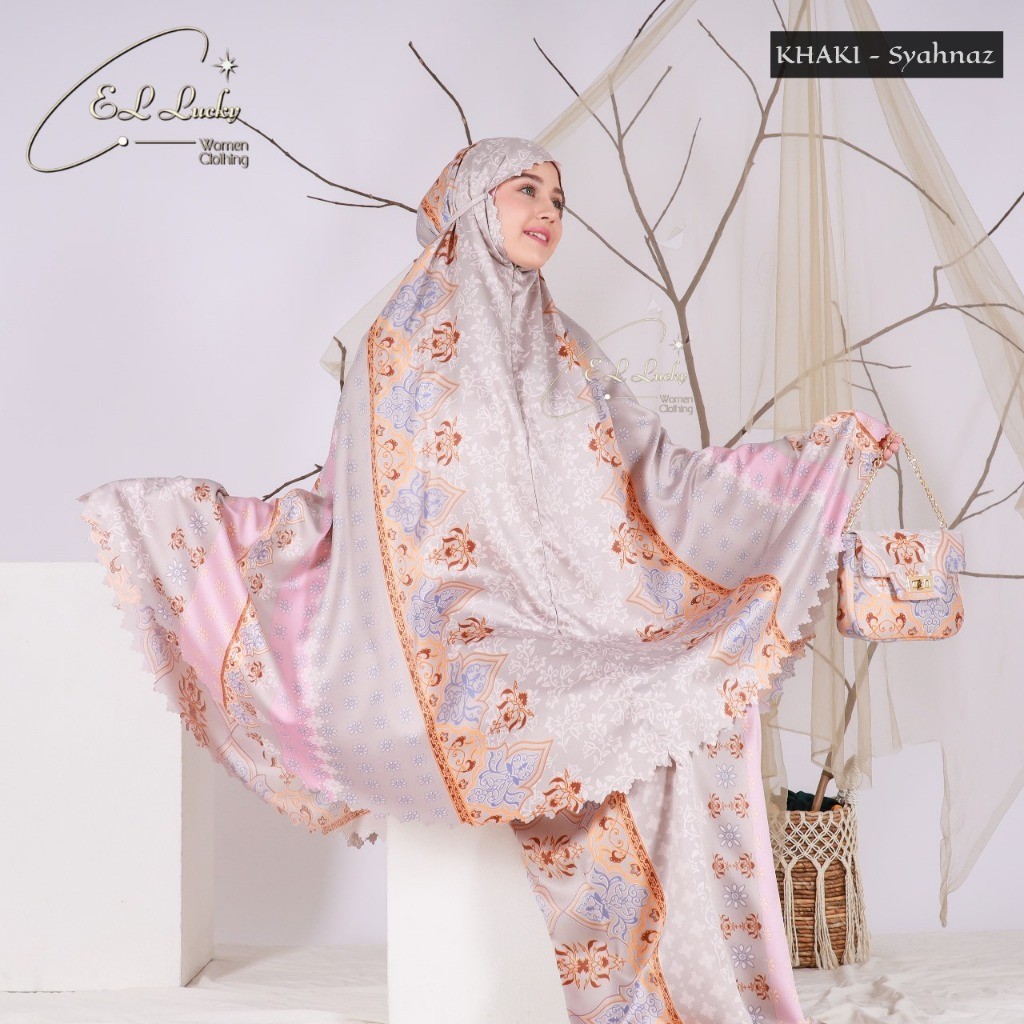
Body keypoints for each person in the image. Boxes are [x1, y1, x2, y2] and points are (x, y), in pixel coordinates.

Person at [79, 136, 897, 1023]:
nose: (548, 210)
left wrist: (812, 467)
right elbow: (382, 524)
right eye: (525, 189)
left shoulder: (570, 353)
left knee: (689, 693)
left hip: (583, 614)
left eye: (559, 199)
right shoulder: (400, 347)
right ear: (472, 202)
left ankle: (674, 990)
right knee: (602, 709)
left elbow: (661, 479)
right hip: (441, 632)